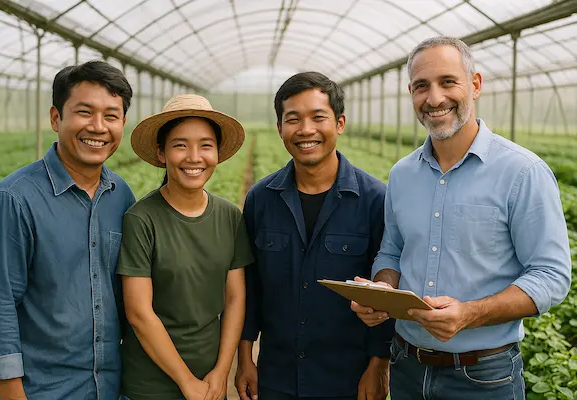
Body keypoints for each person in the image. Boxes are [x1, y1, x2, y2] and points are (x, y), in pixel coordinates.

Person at [352, 36, 571, 400]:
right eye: (422, 86)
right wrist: (383, 290)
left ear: (475, 84)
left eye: (447, 82)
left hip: (484, 377)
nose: (434, 98)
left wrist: (470, 313)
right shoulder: (402, 175)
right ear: (411, 93)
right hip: (406, 366)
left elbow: (551, 275)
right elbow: (391, 252)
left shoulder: (522, 172)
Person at [0, 61, 134, 399]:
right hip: (45, 390)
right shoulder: (13, 199)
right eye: (84, 112)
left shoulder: (121, 195)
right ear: (55, 118)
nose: (98, 127)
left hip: (113, 387)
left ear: (122, 123)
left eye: (111, 115)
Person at [236, 72, 394, 400]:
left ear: (339, 123)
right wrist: (244, 358)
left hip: (347, 378)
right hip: (277, 375)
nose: (306, 130)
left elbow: (385, 292)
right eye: (293, 119)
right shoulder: (261, 198)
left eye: (318, 117)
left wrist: (378, 364)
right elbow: (250, 286)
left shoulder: (375, 200)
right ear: (280, 128)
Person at [117, 94, 254, 400]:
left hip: (210, 381)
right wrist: (186, 382)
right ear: (161, 153)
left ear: (217, 153)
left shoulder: (230, 216)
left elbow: (235, 298)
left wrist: (221, 373)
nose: (194, 157)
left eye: (206, 145)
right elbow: (139, 312)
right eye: (180, 145)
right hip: (151, 386)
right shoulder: (141, 219)